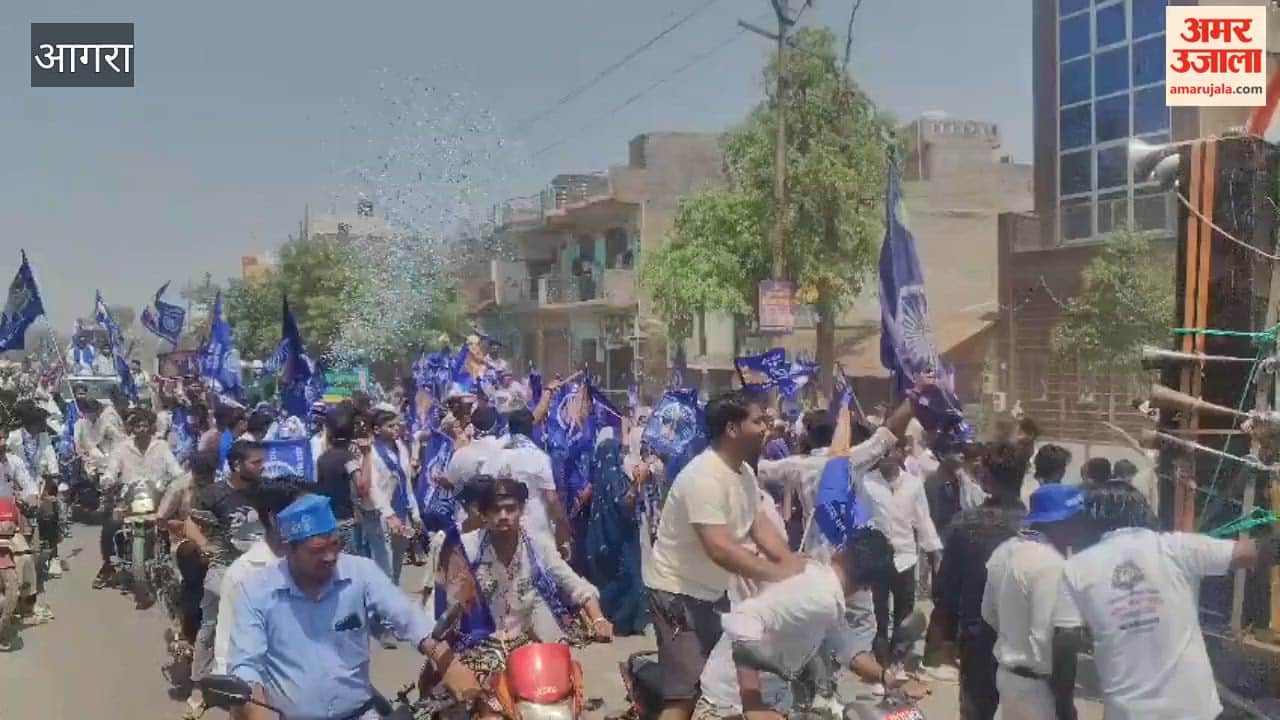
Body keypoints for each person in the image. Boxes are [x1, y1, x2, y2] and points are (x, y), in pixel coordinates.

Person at [642, 393, 804, 720]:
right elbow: (720, 549)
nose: (765, 428)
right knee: (684, 696)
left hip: (714, 594)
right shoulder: (704, 477)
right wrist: (778, 574)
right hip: (678, 595)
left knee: (720, 686)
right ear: (732, 428)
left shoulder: (742, 472)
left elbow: (758, 526)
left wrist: (794, 567)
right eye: (757, 421)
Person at [1052, 482, 1267, 720]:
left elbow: (1065, 643)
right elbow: (1250, 553)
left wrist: (1064, 708)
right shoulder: (1175, 547)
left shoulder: (1075, 569)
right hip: (1194, 711)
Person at [226, 494, 438, 720]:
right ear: (288, 549)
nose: (330, 557)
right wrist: (258, 711)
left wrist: (444, 657)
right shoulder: (257, 591)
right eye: (317, 550)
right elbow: (246, 666)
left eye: (335, 545)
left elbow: (406, 617)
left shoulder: (361, 573)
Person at [437, 477, 611, 716]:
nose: (504, 515)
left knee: (563, 700)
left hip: (527, 648)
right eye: (496, 510)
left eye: (511, 508)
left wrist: (599, 619)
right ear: (484, 514)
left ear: (522, 510)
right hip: (478, 649)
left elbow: (575, 585)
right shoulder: (466, 548)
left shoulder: (538, 546)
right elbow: (443, 608)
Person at [692, 527, 896, 719]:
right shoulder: (818, 595)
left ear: (840, 552)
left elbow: (849, 651)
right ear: (868, 586)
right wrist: (752, 703)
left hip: (770, 701)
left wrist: (889, 678)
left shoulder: (824, 592)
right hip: (730, 705)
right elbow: (744, 619)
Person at [934, 442, 1028, 720]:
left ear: (985, 478)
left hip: (978, 641)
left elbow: (947, 589)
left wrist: (947, 639)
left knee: (977, 710)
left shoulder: (964, 525)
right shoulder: (1036, 525)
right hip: (1028, 642)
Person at [982, 484, 1086, 720]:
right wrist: (1065, 706)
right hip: (1039, 690)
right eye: (1076, 519)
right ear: (1060, 522)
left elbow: (988, 614)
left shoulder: (1004, 551)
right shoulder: (1055, 566)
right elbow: (1065, 641)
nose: (1080, 526)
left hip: (1007, 678)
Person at [186, 440, 266, 699]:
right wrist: (203, 545)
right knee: (211, 624)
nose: (262, 467)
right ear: (236, 465)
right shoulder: (213, 494)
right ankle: (199, 685)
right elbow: (191, 523)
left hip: (261, 571)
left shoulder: (265, 490)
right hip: (224, 569)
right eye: (256, 463)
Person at [856, 437, 942, 649]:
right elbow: (859, 519)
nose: (885, 455)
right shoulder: (867, 483)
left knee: (904, 613)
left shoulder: (913, 484)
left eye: (890, 450)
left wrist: (934, 553)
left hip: (906, 557)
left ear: (901, 452)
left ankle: (900, 655)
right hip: (877, 559)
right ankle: (881, 657)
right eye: (882, 451)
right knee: (879, 613)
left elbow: (923, 519)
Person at [212, 481, 300, 674]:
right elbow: (227, 643)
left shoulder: (319, 562)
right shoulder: (243, 574)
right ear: (274, 519)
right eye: (300, 514)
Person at [97, 408, 185, 594]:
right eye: (137, 425)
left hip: (158, 496)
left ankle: (179, 566)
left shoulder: (161, 446)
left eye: (145, 425)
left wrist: (178, 479)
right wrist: (107, 480)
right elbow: (111, 470)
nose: (141, 429)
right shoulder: (121, 448)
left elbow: (175, 469)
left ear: (151, 427)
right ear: (131, 428)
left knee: (179, 524)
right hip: (129, 497)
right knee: (110, 526)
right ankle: (108, 565)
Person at [584, 435, 648, 635]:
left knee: (607, 580)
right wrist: (636, 486)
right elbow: (625, 504)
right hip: (621, 540)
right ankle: (625, 623)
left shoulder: (597, 478)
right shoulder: (616, 477)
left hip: (600, 540)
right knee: (628, 578)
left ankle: (607, 617)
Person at [487, 408, 571, 551]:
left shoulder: (496, 456)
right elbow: (551, 499)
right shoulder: (540, 458)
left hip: (504, 526)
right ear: (531, 430)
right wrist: (563, 529)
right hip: (537, 529)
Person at [6, 400, 62, 579]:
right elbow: (6, 457)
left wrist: (54, 472)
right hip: (18, 483)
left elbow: (50, 455)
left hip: (40, 483)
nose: (41, 425)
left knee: (50, 514)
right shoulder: (14, 437)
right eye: (38, 422)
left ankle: (54, 556)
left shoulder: (44, 437)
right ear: (30, 423)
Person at [365, 409, 421, 584]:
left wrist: (415, 512)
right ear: (376, 430)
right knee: (384, 565)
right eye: (390, 426)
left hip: (402, 511)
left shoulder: (401, 449)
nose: (396, 428)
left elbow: (407, 483)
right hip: (382, 515)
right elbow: (373, 487)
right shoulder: (371, 453)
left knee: (397, 564)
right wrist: (388, 514)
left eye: (397, 425)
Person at [313, 402, 363, 550]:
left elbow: (318, 487)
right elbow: (359, 485)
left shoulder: (322, 458)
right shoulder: (349, 458)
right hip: (347, 521)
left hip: (328, 520)